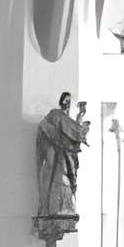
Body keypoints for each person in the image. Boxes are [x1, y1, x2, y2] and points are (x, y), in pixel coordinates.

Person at [35, 92, 88, 223]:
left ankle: (59, 206)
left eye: (69, 101)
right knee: (51, 170)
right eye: (66, 100)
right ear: (62, 101)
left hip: (62, 153)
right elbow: (46, 126)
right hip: (52, 148)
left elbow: (74, 132)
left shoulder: (66, 119)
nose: (68, 103)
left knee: (65, 175)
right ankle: (46, 206)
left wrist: (80, 116)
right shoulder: (56, 114)